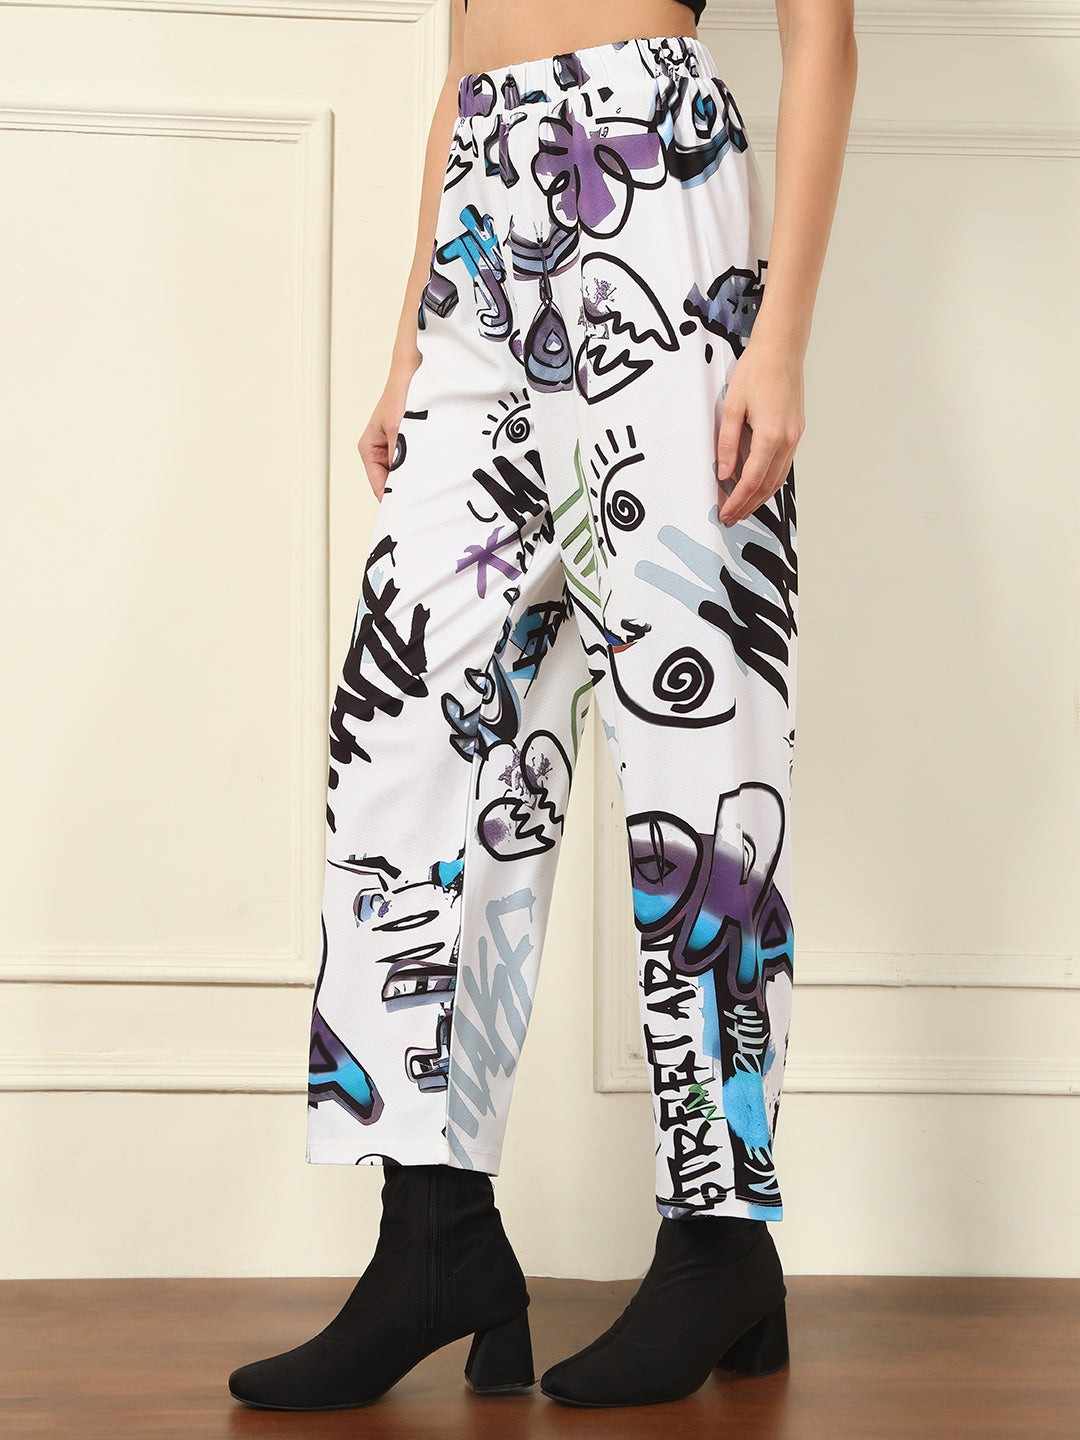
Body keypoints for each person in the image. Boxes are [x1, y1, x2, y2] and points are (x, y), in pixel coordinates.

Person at [229, 0, 856, 1411]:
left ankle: (720, 1238)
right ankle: (435, 1231)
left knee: (698, 735)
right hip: (481, 210)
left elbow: (822, 33)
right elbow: (462, 56)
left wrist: (779, 340)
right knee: (409, 731)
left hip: (654, 177)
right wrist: (412, 338)